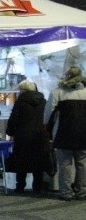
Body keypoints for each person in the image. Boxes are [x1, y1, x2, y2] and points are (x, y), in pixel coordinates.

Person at [44, 66, 86, 202]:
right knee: (82, 164)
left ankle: (66, 193)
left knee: (65, 164)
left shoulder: (58, 92)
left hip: (63, 133)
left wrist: (48, 131)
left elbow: (48, 114)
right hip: (84, 134)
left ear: (66, 76)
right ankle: (82, 192)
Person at [5, 79, 51, 194]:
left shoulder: (20, 102)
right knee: (38, 162)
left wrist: (9, 132)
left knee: (21, 162)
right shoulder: (43, 101)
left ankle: (20, 187)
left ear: (22, 90)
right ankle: (37, 188)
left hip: (22, 136)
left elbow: (13, 120)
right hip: (40, 136)